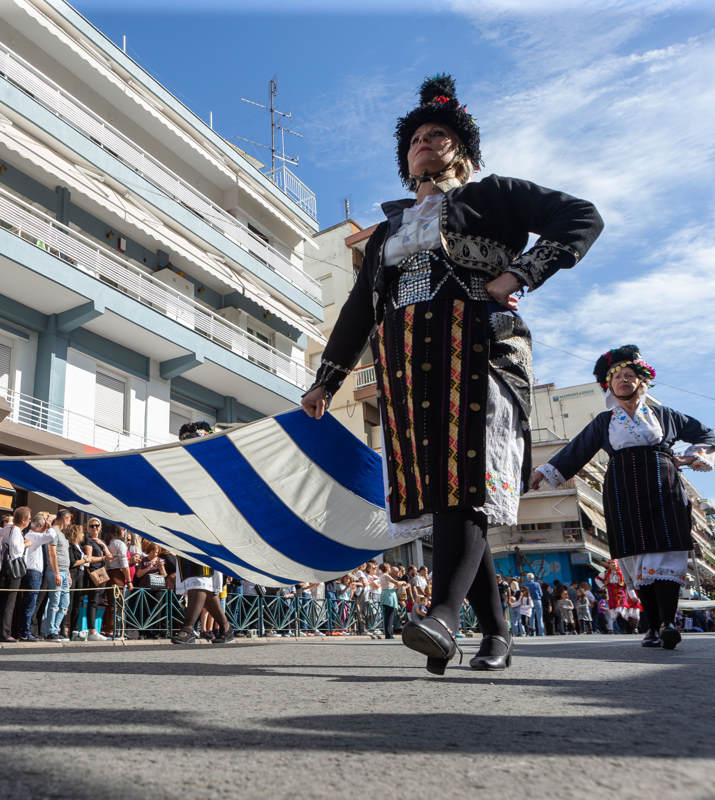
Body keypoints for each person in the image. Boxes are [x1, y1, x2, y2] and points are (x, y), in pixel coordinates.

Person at [302, 75, 603, 674]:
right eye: (414, 138)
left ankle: (442, 616)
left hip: (480, 348)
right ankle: (495, 633)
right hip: (408, 366)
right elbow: (361, 307)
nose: (424, 142)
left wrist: (519, 275)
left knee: (465, 482)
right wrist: (326, 380)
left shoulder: (496, 194)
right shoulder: (388, 229)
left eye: (437, 134)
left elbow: (580, 218)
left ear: (460, 149)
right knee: (445, 498)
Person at [532, 345, 715, 651]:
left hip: (664, 487)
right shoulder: (604, 422)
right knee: (636, 556)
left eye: (629, 376)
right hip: (623, 493)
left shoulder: (665, 415)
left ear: (641, 382)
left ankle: (667, 623)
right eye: (616, 377)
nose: (623, 381)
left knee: (667, 550)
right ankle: (654, 626)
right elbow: (577, 450)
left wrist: (693, 455)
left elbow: (705, 434)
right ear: (609, 385)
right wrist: (544, 471)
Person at [14, 512, 54, 641]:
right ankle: (25, 631)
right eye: (44, 527)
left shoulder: (32, 535)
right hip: (33, 573)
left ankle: (24, 630)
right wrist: (49, 525)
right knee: (30, 603)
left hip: (33, 573)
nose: (45, 529)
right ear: (40, 526)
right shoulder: (33, 535)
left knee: (29, 603)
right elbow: (51, 537)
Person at [0, 506, 28, 643]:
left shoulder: (7, 528)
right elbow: (15, 549)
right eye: (29, 518)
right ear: (24, 520)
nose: (29, 521)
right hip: (13, 570)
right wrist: (25, 544)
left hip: (3, 568)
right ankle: (5, 633)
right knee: (9, 602)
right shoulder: (17, 530)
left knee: (1, 601)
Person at [42, 509, 73, 641]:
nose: (70, 523)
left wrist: (68, 574)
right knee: (54, 602)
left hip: (65, 571)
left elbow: (64, 555)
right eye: (70, 519)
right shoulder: (53, 532)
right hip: (56, 571)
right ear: (65, 518)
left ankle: (55, 628)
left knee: (65, 603)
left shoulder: (62, 534)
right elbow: (52, 553)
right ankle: (51, 631)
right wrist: (56, 573)